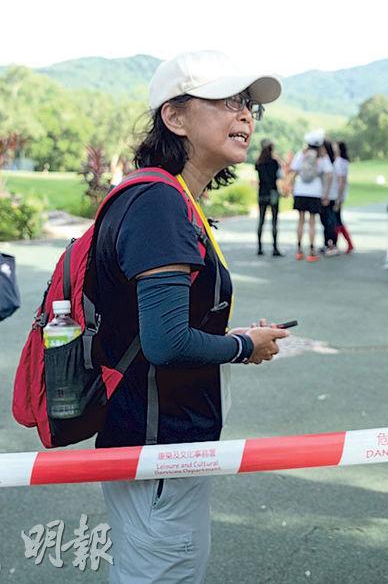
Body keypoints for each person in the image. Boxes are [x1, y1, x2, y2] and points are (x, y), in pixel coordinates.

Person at [94, 50, 290, 583]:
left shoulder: (170, 198)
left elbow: (160, 327)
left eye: (249, 104)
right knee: (162, 572)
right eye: (228, 100)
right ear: (174, 117)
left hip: (161, 435)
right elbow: (166, 343)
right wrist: (244, 347)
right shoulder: (160, 204)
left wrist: (231, 338)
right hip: (160, 443)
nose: (246, 115)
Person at [290, 130, 333, 262]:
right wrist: (326, 194)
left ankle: (298, 250)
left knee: (301, 220)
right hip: (315, 192)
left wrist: (291, 188)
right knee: (312, 222)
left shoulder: (301, 154)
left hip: (300, 191)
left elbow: (294, 170)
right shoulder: (322, 157)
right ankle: (312, 251)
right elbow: (329, 174)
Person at [255, 139, 283, 256]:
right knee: (274, 221)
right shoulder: (275, 163)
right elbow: (279, 176)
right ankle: (275, 248)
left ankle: (260, 248)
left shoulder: (258, 163)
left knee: (261, 220)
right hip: (273, 192)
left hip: (262, 193)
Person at [332, 141, 354, 253]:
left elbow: (341, 181)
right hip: (340, 194)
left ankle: (346, 243)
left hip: (338, 195)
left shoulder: (339, 162)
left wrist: (338, 198)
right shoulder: (343, 162)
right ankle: (345, 243)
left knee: (337, 220)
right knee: (337, 219)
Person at [321, 140, 340, 255]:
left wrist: (326, 195)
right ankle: (327, 244)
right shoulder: (330, 161)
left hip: (329, 195)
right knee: (326, 221)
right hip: (328, 194)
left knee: (329, 222)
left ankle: (331, 244)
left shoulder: (329, 161)